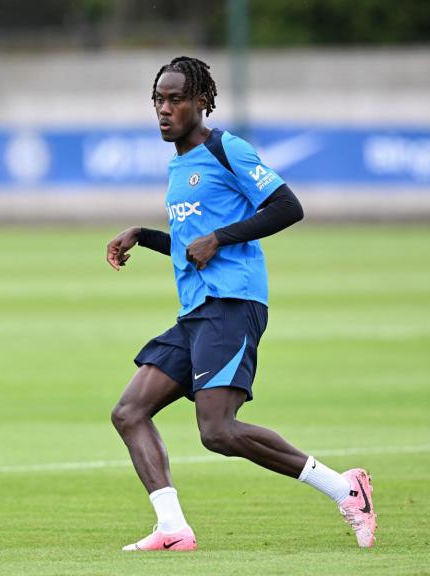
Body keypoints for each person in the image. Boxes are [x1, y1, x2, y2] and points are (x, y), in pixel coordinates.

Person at [106, 56, 377, 552]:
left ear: (203, 102)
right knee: (129, 412)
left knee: (217, 430)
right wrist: (143, 237)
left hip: (233, 304)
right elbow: (193, 247)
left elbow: (288, 206)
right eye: (158, 101)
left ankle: (345, 489)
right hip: (196, 313)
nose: (164, 110)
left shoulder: (225, 148)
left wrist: (221, 239)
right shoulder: (179, 166)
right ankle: (172, 528)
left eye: (175, 99)